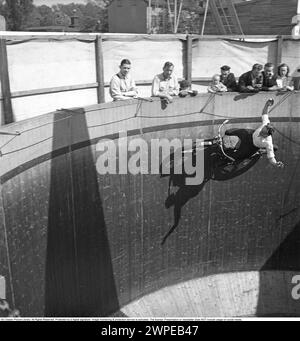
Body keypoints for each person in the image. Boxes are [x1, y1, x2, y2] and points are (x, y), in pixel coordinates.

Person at [221, 98, 284, 168]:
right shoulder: (266, 123)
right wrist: (267, 105)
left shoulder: (268, 143)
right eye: (262, 129)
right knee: (228, 132)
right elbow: (265, 113)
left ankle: (259, 151)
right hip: (249, 134)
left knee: (236, 156)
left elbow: (271, 158)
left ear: (267, 135)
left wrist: (275, 163)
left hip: (252, 146)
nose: (261, 132)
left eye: (263, 133)